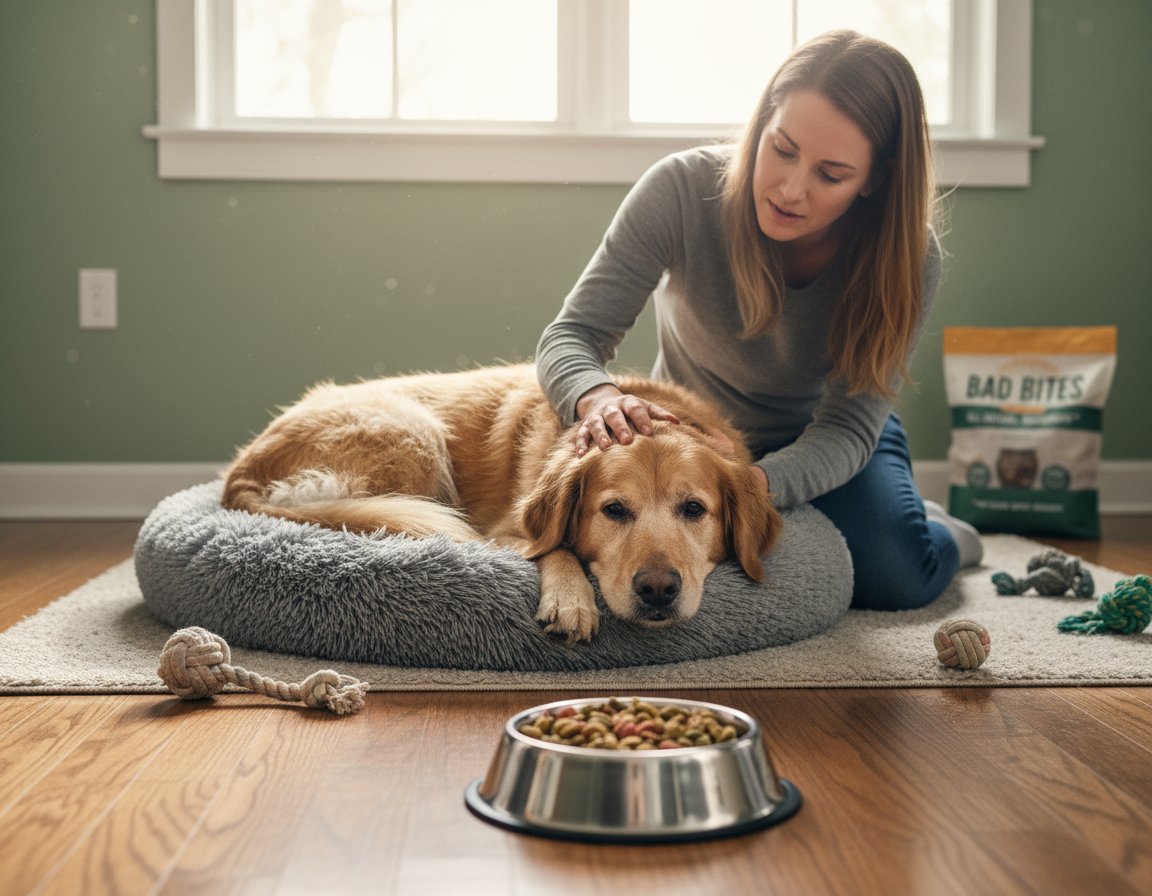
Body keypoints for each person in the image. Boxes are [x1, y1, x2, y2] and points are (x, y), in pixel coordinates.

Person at [535, 30, 982, 611]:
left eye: (831, 174)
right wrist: (596, 399)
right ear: (762, 123)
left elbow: (848, 427)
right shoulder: (680, 188)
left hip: (827, 435)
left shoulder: (906, 256)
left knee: (899, 577)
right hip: (690, 442)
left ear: (874, 178)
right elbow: (573, 334)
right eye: (783, 148)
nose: (792, 189)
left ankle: (946, 531)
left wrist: (754, 484)